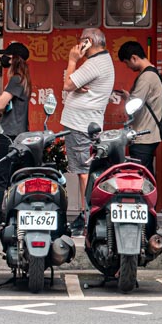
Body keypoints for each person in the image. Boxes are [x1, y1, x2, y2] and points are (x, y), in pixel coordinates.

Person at [61, 28, 115, 234]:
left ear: (88, 41)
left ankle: (86, 218)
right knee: (86, 171)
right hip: (87, 123)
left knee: (84, 173)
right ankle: (87, 215)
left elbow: (67, 84)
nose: (78, 45)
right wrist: (76, 82)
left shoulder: (94, 63)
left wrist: (73, 59)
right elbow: (75, 83)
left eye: (81, 41)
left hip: (80, 125)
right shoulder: (102, 61)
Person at [0, 42, 32, 224]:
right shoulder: (23, 79)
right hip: (18, 135)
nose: (3, 59)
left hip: (9, 136)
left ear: (13, 58)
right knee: (12, 179)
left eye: (6, 56)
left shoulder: (16, 79)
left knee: (0, 181)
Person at [117, 41, 162, 176]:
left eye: (127, 62)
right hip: (149, 133)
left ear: (134, 58)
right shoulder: (153, 72)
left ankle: (144, 198)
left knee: (140, 176)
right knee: (146, 174)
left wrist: (127, 100)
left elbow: (133, 107)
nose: (128, 66)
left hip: (143, 135)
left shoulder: (146, 77)